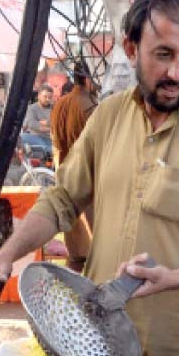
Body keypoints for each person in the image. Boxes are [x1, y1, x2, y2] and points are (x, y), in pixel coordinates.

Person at [0, 0, 179, 356]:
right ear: (131, 49)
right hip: (97, 340)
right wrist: (5, 254)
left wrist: (175, 278)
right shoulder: (109, 116)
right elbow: (62, 198)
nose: (177, 73)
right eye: (163, 54)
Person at [49, 65, 98, 273]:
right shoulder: (89, 106)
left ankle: (78, 259)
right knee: (94, 226)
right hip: (86, 173)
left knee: (73, 226)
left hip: (64, 168)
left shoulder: (61, 103)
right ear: (88, 80)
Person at [23, 84, 54, 149]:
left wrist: (45, 123)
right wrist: (50, 128)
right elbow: (32, 124)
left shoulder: (55, 109)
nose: (48, 99)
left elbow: (58, 124)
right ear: (39, 96)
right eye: (45, 97)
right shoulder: (31, 108)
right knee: (23, 137)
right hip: (35, 136)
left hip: (50, 139)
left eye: (50, 97)